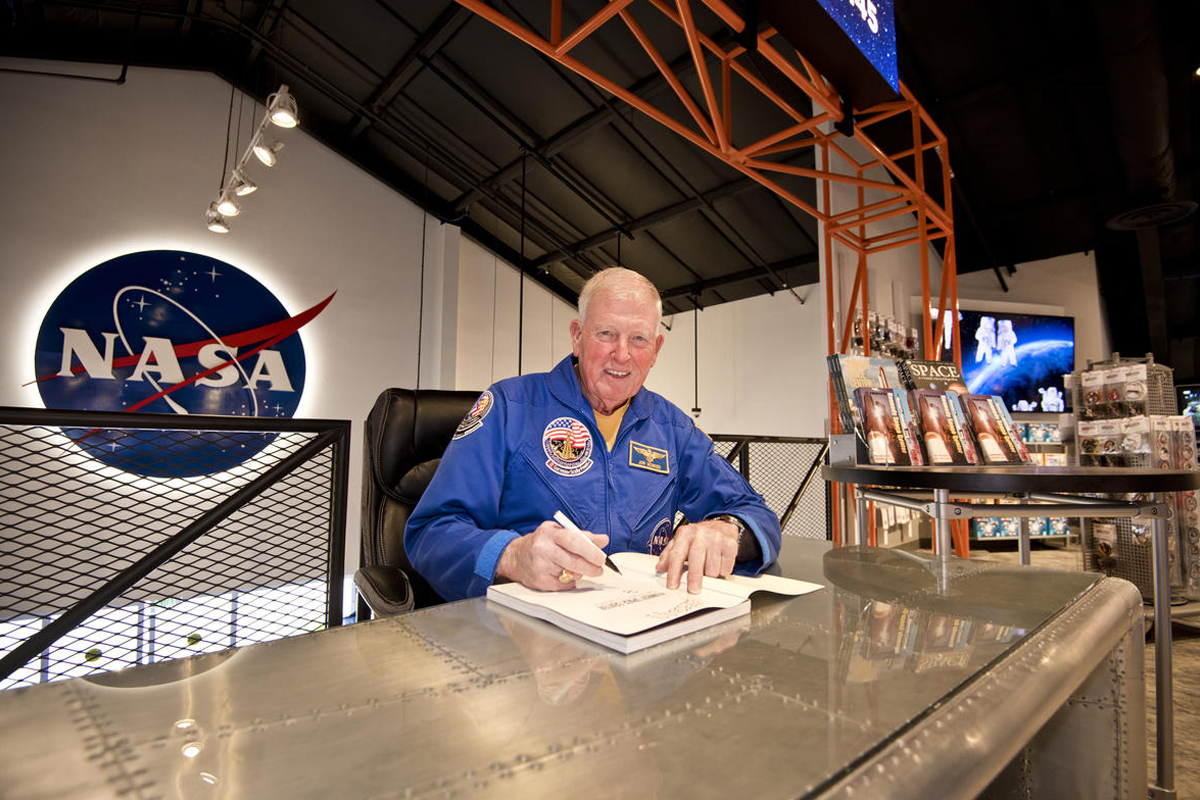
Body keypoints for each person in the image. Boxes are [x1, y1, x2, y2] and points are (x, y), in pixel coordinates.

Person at [406, 267, 783, 602]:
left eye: (638, 339)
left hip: (639, 638)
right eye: (607, 333)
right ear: (577, 335)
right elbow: (431, 532)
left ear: (656, 349)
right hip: (523, 645)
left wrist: (727, 531)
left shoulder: (673, 429)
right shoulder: (509, 406)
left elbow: (756, 513)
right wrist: (512, 556)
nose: (622, 355)